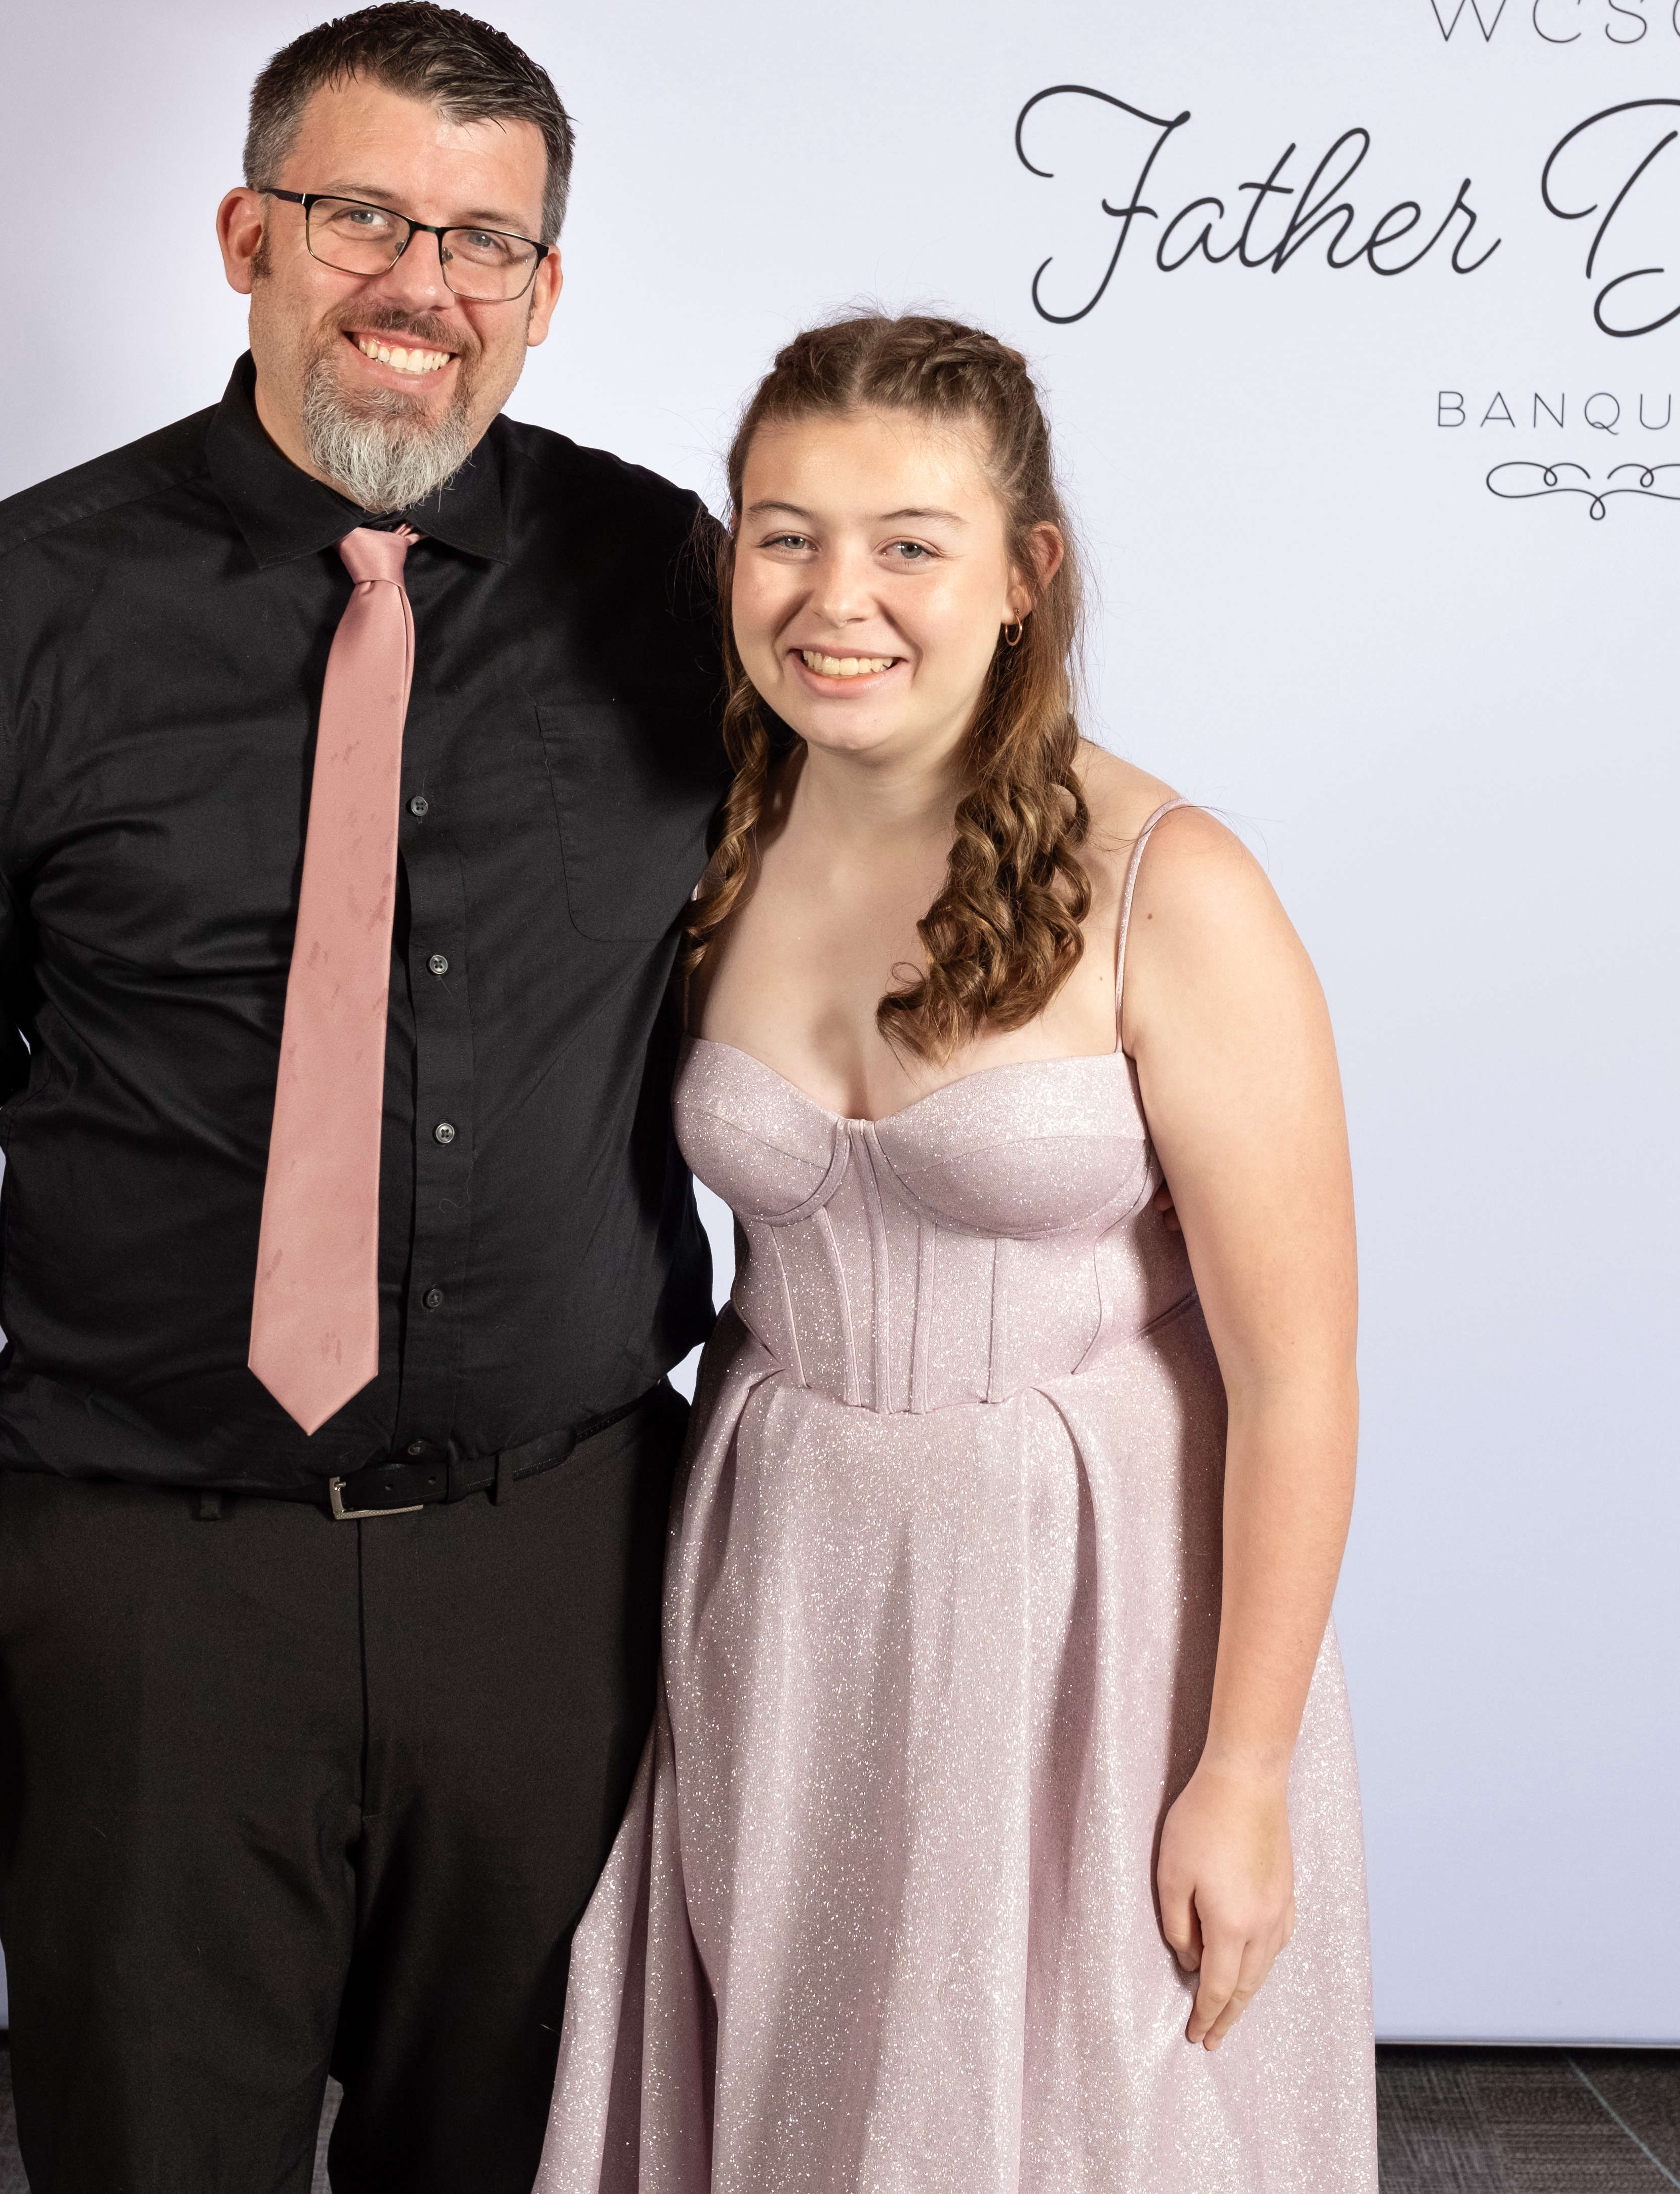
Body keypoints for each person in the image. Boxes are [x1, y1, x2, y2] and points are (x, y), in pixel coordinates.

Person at [0, 5, 726, 2194]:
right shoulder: (23, 597)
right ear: (246, 236)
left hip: (557, 1572)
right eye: (363, 216)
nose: (419, 286)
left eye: (483, 242)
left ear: (545, 290)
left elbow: (884, 866)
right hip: (149, 1572)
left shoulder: (666, 586)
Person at [534, 315, 1377, 2192]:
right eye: (786, 536)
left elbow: (1297, 1375)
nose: (837, 598)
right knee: (802, 2100)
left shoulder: (1175, 883)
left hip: (1087, 1617)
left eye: (908, 542)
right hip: (780, 1588)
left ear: (1024, 573)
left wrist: (1242, 1770)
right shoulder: (712, 850)